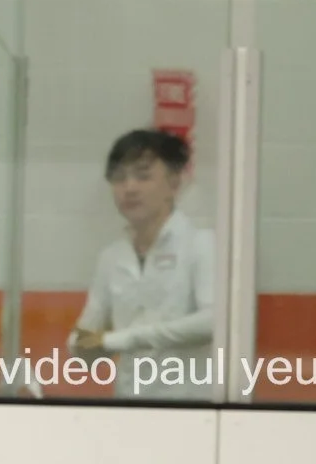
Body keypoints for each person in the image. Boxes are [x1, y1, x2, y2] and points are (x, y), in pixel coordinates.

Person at [68, 128, 217, 400]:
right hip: (129, 405)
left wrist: (122, 339)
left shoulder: (202, 244)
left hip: (193, 407)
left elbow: (213, 322)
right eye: (119, 178)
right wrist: (82, 347)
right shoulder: (111, 257)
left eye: (143, 176)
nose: (129, 188)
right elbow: (84, 337)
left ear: (174, 183)